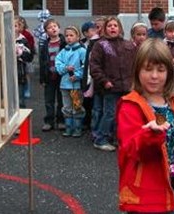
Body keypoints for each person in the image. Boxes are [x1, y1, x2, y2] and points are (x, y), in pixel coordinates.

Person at [117, 39, 174, 213]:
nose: (154, 76)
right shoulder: (130, 106)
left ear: (169, 73)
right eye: (148, 69)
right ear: (137, 71)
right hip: (146, 198)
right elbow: (132, 150)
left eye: (161, 69)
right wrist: (150, 134)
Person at [90, 16, 136, 151]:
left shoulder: (129, 45)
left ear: (120, 28)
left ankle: (117, 138)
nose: (112, 28)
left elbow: (136, 64)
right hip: (111, 87)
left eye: (115, 25)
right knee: (109, 113)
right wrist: (104, 81)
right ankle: (101, 139)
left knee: (124, 115)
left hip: (127, 87)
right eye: (109, 26)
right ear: (105, 29)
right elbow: (95, 66)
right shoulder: (101, 45)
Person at [55, 26, 87, 137]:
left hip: (76, 85)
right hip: (65, 84)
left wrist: (77, 75)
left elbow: (86, 66)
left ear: (78, 37)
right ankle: (68, 127)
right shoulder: (63, 51)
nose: (68, 38)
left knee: (77, 106)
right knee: (66, 106)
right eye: (67, 35)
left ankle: (77, 128)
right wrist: (65, 68)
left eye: (71, 35)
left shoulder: (82, 51)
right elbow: (57, 64)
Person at [39, 19, 66, 131]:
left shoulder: (64, 43)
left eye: (55, 26)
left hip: (61, 76)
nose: (53, 28)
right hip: (49, 76)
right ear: (46, 32)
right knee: (49, 100)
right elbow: (42, 62)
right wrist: (42, 78)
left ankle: (61, 120)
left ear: (59, 28)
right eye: (50, 27)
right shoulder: (45, 45)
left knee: (61, 100)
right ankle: (49, 121)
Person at [82, 17, 105, 134]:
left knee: (105, 109)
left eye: (102, 26)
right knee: (96, 107)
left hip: (106, 80)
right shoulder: (93, 42)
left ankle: (103, 130)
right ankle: (95, 130)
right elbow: (88, 63)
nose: (99, 30)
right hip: (94, 79)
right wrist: (86, 80)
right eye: (97, 27)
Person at [15, 18, 34, 109]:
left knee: (20, 98)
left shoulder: (23, 40)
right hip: (7, 73)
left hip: (19, 72)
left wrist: (21, 53)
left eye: (15, 26)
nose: (12, 28)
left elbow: (29, 57)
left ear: (20, 28)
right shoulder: (4, 39)